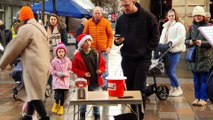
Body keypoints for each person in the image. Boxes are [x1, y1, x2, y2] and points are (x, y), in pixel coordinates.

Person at [0, 6, 50, 120]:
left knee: (34, 95)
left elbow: (13, 47)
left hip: (33, 67)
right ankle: (28, 116)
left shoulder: (26, 28)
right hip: (43, 65)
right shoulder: (40, 27)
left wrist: (2, 63)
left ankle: (45, 117)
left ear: (22, 18)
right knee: (31, 91)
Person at [114, 0, 159, 119]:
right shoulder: (121, 19)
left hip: (142, 59)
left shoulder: (148, 17)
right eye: (122, 6)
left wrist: (145, 50)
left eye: (127, 5)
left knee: (138, 89)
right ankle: (135, 116)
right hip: (127, 58)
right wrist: (117, 41)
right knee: (129, 89)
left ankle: (139, 116)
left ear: (134, 2)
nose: (125, 8)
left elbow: (155, 39)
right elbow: (117, 37)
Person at [72, 34, 106, 120]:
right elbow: (74, 68)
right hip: (83, 83)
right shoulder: (78, 56)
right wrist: (83, 74)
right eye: (85, 41)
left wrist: (100, 71)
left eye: (89, 41)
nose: (88, 43)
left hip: (95, 81)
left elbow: (102, 64)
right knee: (83, 100)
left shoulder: (96, 53)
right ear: (81, 44)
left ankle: (97, 115)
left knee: (96, 100)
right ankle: (82, 115)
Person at [185, 6, 213, 106]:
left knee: (204, 79)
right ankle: (197, 98)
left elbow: (211, 42)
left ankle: (204, 98)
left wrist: (202, 43)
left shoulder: (209, 27)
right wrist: (191, 42)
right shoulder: (191, 27)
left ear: (203, 16)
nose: (197, 17)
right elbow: (186, 41)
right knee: (196, 79)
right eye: (195, 15)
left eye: (199, 15)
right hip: (194, 58)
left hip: (205, 58)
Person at [83, 6, 113, 91]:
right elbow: (84, 35)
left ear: (101, 14)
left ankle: (105, 85)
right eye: (95, 13)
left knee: (104, 68)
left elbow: (110, 36)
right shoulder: (88, 23)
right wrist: (85, 47)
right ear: (93, 14)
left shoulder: (106, 22)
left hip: (103, 50)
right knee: (92, 68)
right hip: (91, 51)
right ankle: (94, 84)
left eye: (98, 13)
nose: (97, 15)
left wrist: (109, 47)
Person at [159, 9, 186, 97]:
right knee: (171, 71)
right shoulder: (166, 26)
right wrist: (160, 47)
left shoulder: (179, 25)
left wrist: (171, 43)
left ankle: (178, 88)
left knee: (170, 71)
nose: (171, 17)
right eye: (169, 16)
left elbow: (181, 38)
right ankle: (173, 88)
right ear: (167, 16)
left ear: (175, 16)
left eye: (172, 15)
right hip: (166, 51)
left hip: (175, 51)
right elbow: (162, 39)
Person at [50, 43, 72, 115]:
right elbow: (51, 70)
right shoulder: (54, 61)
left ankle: (61, 107)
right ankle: (56, 104)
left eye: (62, 52)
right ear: (57, 52)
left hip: (65, 82)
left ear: (65, 52)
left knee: (63, 96)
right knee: (57, 95)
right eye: (59, 52)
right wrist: (57, 73)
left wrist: (66, 73)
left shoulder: (68, 60)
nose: (61, 53)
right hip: (57, 82)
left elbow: (70, 69)